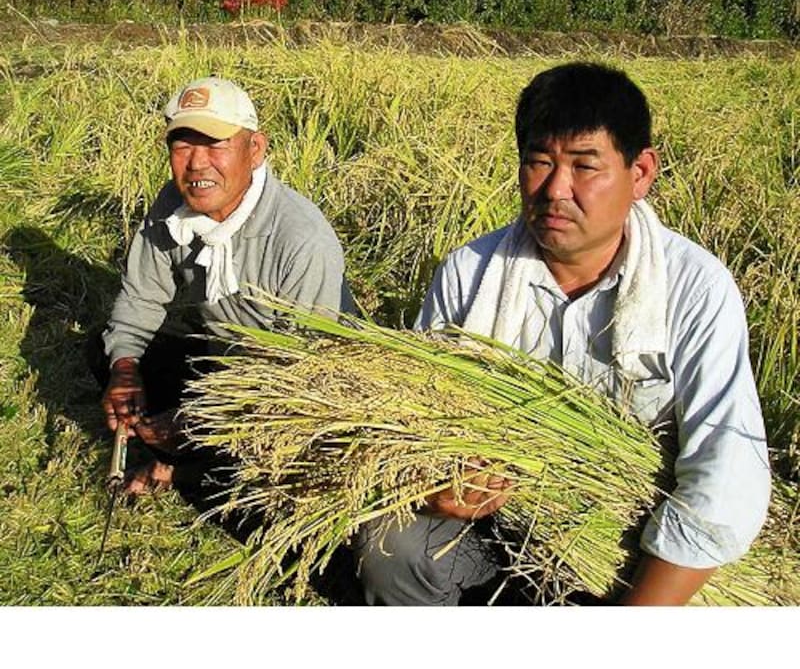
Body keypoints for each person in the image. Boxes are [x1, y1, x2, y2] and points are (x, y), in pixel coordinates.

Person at [355, 62, 771, 605]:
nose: (556, 189)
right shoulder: (470, 271)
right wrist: (438, 487)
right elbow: (419, 423)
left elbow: (725, 472)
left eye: (585, 166)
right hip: (492, 526)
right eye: (539, 163)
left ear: (640, 172)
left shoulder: (694, 288)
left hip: (629, 543)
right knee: (391, 545)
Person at [94, 76, 354, 505]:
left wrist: (207, 417)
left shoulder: (301, 237)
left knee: (295, 464)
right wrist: (125, 370)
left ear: (255, 150)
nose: (196, 164)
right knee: (107, 354)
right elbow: (141, 298)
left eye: (215, 145)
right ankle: (196, 456)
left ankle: (188, 470)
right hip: (226, 365)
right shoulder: (172, 208)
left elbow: (303, 370)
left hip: (300, 392)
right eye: (182, 146)